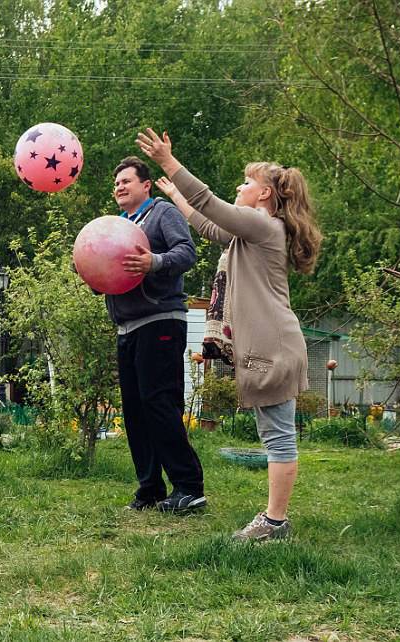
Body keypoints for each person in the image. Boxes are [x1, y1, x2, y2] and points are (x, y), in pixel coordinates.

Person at [137, 128, 322, 541]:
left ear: (264, 195)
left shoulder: (262, 224)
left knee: (279, 437)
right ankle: (275, 519)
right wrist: (176, 195)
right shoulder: (252, 232)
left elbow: (210, 204)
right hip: (272, 342)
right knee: (274, 433)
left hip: (273, 345)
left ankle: (275, 522)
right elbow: (209, 225)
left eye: (246, 182)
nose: (239, 187)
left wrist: (169, 162)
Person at [104, 156, 206, 514]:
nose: (119, 187)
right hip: (126, 326)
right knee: (135, 410)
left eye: (126, 181)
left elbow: (187, 253)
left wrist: (154, 262)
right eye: (116, 183)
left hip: (160, 320)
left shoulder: (162, 213)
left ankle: (189, 487)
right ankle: (149, 489)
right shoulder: (118, 225)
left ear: (146, 185)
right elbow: (110, 274)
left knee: (159, 403)